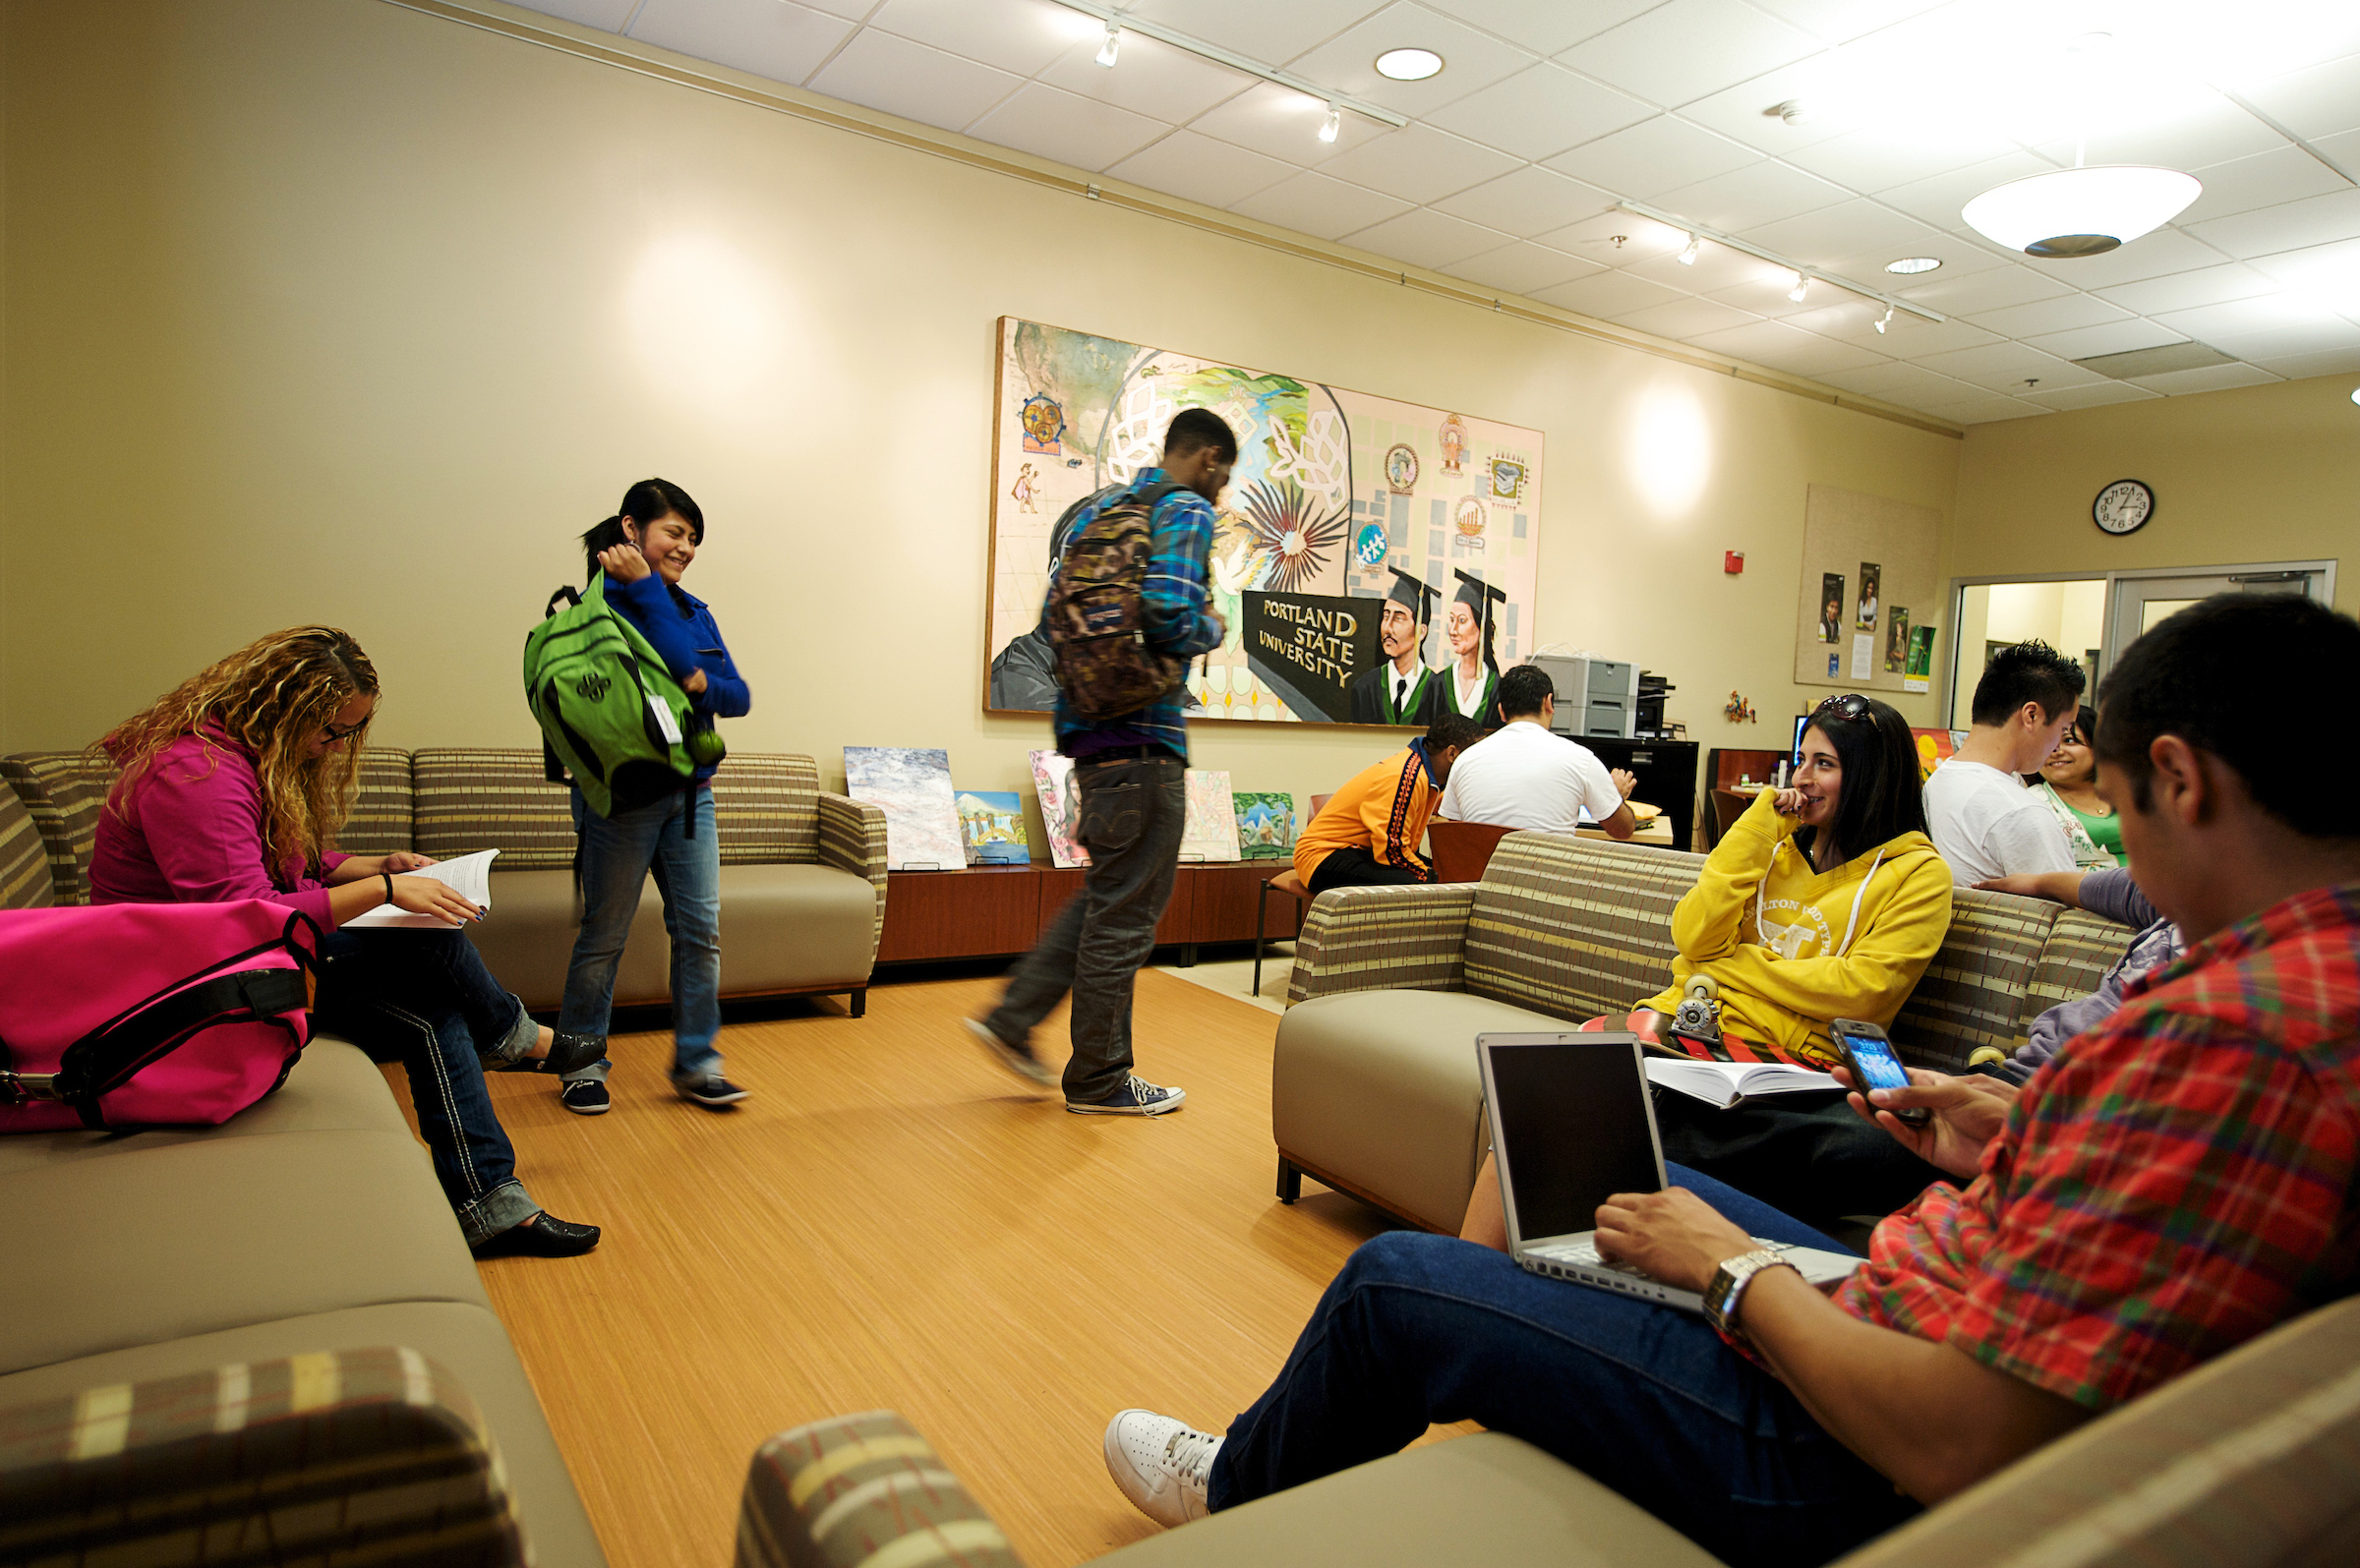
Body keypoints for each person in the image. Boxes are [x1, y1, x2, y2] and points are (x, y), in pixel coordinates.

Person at [1102, 593, 2360, 1568]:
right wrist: (2020, 1120)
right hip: (1904, 1294)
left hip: (1840, 1453)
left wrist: (1730, 1263)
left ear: (2183, 778)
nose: (2122, 847)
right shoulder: (2309, 987)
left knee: (1391, 1279)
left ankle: (1246, 1484)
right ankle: (1528, 1356)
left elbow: (1960, 1437)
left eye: (2124, 801)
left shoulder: (2223, 1035)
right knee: (1596, 1180)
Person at [89, 627, 604, 1257]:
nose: (334, 746)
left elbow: (278, 863)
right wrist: (386, 890)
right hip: (190, 983)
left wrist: (363, 866)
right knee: (425, 937)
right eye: (330, 730)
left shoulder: (242, 759)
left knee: (433, 1016)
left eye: (347, 733)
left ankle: (491, 1206)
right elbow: (240, 919)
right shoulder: (196, 775)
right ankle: (510, 1036)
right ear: (282, 706)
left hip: (253, 960)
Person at [1452, 692, 1952, 1231]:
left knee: (1865, 1150)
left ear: (1872, 775)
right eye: (1802, 759)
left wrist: (1726, 965)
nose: (1802, 778)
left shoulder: (1918, 875)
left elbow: (1861, 990)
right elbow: (1692, 933)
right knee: (1551, 1093)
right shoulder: (1774, 848)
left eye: (1824, 764)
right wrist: (1755, 831)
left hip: (1787, 1070)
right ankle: (1486, 1273)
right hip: (1682, 1030)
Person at [964, 410, 1233, 1117]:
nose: (1223, 493)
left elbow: (1061, 622)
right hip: (1146, 740)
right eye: (1225, 476)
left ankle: (1013, 1016)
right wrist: (1215, 623)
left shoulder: (1105, 510)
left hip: (1087, 741)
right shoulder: (1184, 509)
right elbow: (1173, 613)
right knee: (1127, 915)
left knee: (1105, 896)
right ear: (1206, 459)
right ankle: (1100, 1077)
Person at [556, 478, 752, 1116]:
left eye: (694, 537)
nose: (687, 546)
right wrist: (644, 591)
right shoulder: (602, 606)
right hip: (622, 799)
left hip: (691, 797)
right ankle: (581, 1064)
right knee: (604, 936)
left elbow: (737, 694)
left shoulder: (695, 609)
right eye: (675, 531)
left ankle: (697, 1063)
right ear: (632, 528)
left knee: (700, 933)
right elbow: (674, 665)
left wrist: (702, 683)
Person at [1973, 864, 2182, 1084]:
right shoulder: (2184, 895)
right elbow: (2112, 888)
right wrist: (2037, 883)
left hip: (2071, 1101)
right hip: (2028, 1077)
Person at [1922, 639, 2085, 883]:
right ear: (2031, 715)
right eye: (2063, 729)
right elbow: (2067, 917)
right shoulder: (2020, 812)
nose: (2057, 746)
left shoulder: (1935, 783)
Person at [1436, 663, 1635, 839]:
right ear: (1548, 702)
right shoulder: (1580, 759)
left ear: (1501, 711)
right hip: (1547, 880)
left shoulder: (1465, 760)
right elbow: (1622, 831)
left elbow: (1457, 835)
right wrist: (1615, 797)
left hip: (1483, 880)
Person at [1292, 715, 1486, 894]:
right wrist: (1432, 877)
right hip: (1322, 857)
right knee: (1430, 886)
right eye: (1475, 755)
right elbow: (1391, 851)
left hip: (1358, 852)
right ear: (1452, 753)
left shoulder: (1425, 776)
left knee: (1446, 876)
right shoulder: (1407, 775)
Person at [2027, 705, 2122, 868]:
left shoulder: (2127, 792)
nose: (2056, 750)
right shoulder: (2031, 803)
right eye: (2048, 742)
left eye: (2068, 741)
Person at [1345, 567, 1441, 726]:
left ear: (1421, 631)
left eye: (1398, 618)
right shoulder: (1364, 688)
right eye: (1386, 616)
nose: (1387, 628)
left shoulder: (1438, 691)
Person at [1438, 571, 1504, 724]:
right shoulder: (1438, 684)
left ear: (1481, 627)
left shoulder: (1497, 688)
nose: (1453, 630)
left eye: (1462, 620)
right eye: (1451, 619)